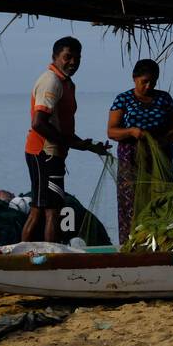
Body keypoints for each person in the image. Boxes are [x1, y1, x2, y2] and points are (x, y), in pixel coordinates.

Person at [23, 37, 110, 243]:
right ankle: (52, 258)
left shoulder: (67, 83)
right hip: (44, 153)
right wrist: (65, 142)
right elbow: (39, 123)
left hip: (52, 153)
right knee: (52, 210)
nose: (73, 62)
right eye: (67, 57)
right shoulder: (51, 81)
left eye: (77, 58)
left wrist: (88, 146)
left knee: (38, 207)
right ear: (55, 57)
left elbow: (62, 129)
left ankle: (25, 255)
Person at [106, 58, 173, 244]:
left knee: (160, 199)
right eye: (144, 81)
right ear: (134, 78)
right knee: (131, 201)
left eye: (153, 82)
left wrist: (161, 141)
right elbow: (112, 131)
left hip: (159, 157)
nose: (148, 86)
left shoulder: (164, 98)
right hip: (131, 157)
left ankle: (160, 242)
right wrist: (131, 131)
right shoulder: (123, 99)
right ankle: (130, 242)